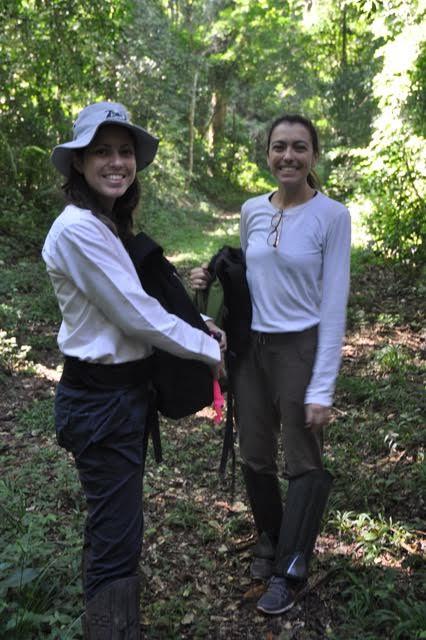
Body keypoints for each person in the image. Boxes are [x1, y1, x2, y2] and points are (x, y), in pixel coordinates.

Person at [42, 101, 224, 638]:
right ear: (78, 162)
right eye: (103, 151)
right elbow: (134, 313)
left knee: (114, 530)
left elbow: (142, 299)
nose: (117, 162)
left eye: (125, 152)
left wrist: (202, 325)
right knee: (117, 545)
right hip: (100, 404)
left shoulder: (105, 223)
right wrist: (207, 351)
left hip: (120, 401)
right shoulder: (77, 230)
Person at [190, 114, 351, 615]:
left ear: (313, 156)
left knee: (303, 460)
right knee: (254, 453)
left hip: (300, 349)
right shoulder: (251, 210)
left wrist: (323, 385)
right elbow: (254, 271)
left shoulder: (332, 216)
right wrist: (212, 272)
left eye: (299, 148)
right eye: (279, 147)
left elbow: (333, 304)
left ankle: (291, 567)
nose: (288, 156)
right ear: (267, 154)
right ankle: (272, 538)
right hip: (252, 349)